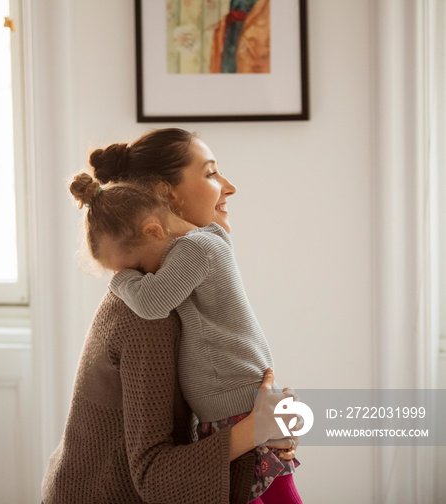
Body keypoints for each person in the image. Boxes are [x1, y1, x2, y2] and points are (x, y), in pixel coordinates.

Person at [41, 128, 298, 504]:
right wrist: (256, 430)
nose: (229, 187)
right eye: (210, 173)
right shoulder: (147, 313)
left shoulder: (183, 278)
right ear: (165, 194)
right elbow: (154, 475)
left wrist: (269, 434)